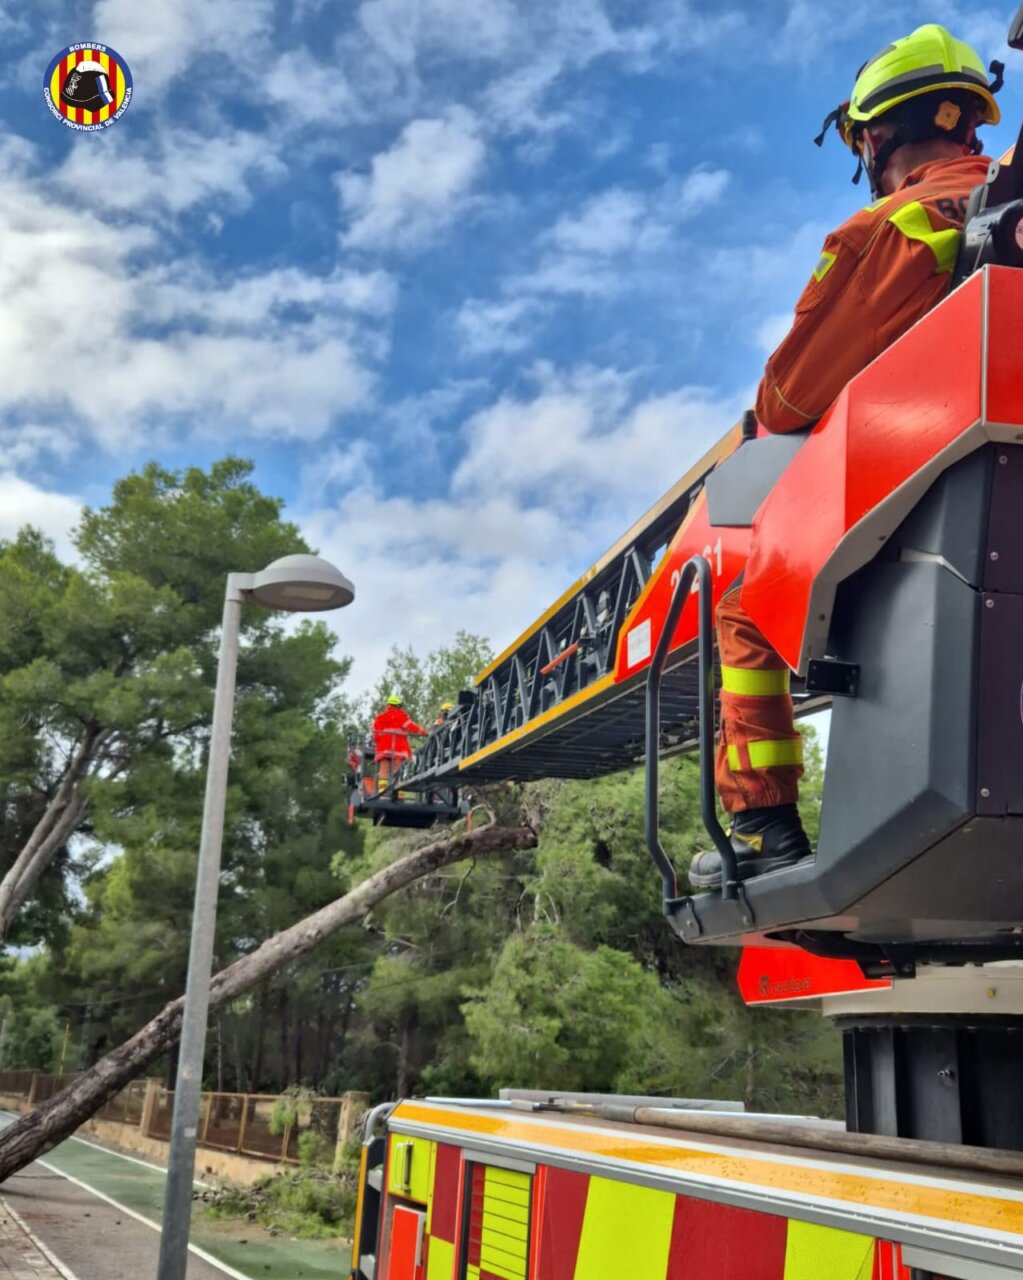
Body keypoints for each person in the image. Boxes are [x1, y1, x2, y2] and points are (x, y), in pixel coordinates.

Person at [689, 24, 1002, 891]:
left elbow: (786, 400)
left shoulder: (902, 224)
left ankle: (763, 828)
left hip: (938, 498)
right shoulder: (1004, 201)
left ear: (876, 135)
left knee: (748, 608)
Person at [372, 694, 427, 785]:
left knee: (383, 771)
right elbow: (411, 726)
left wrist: (380, 744)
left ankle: (383, 793)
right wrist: (424, 732)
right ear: (398, 705)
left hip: (384, 750)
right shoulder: (401, 715)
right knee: (397, 772)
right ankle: (398, 792)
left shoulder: (380, 718)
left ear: (388, 705)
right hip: (399, 749)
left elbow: (375, 735)